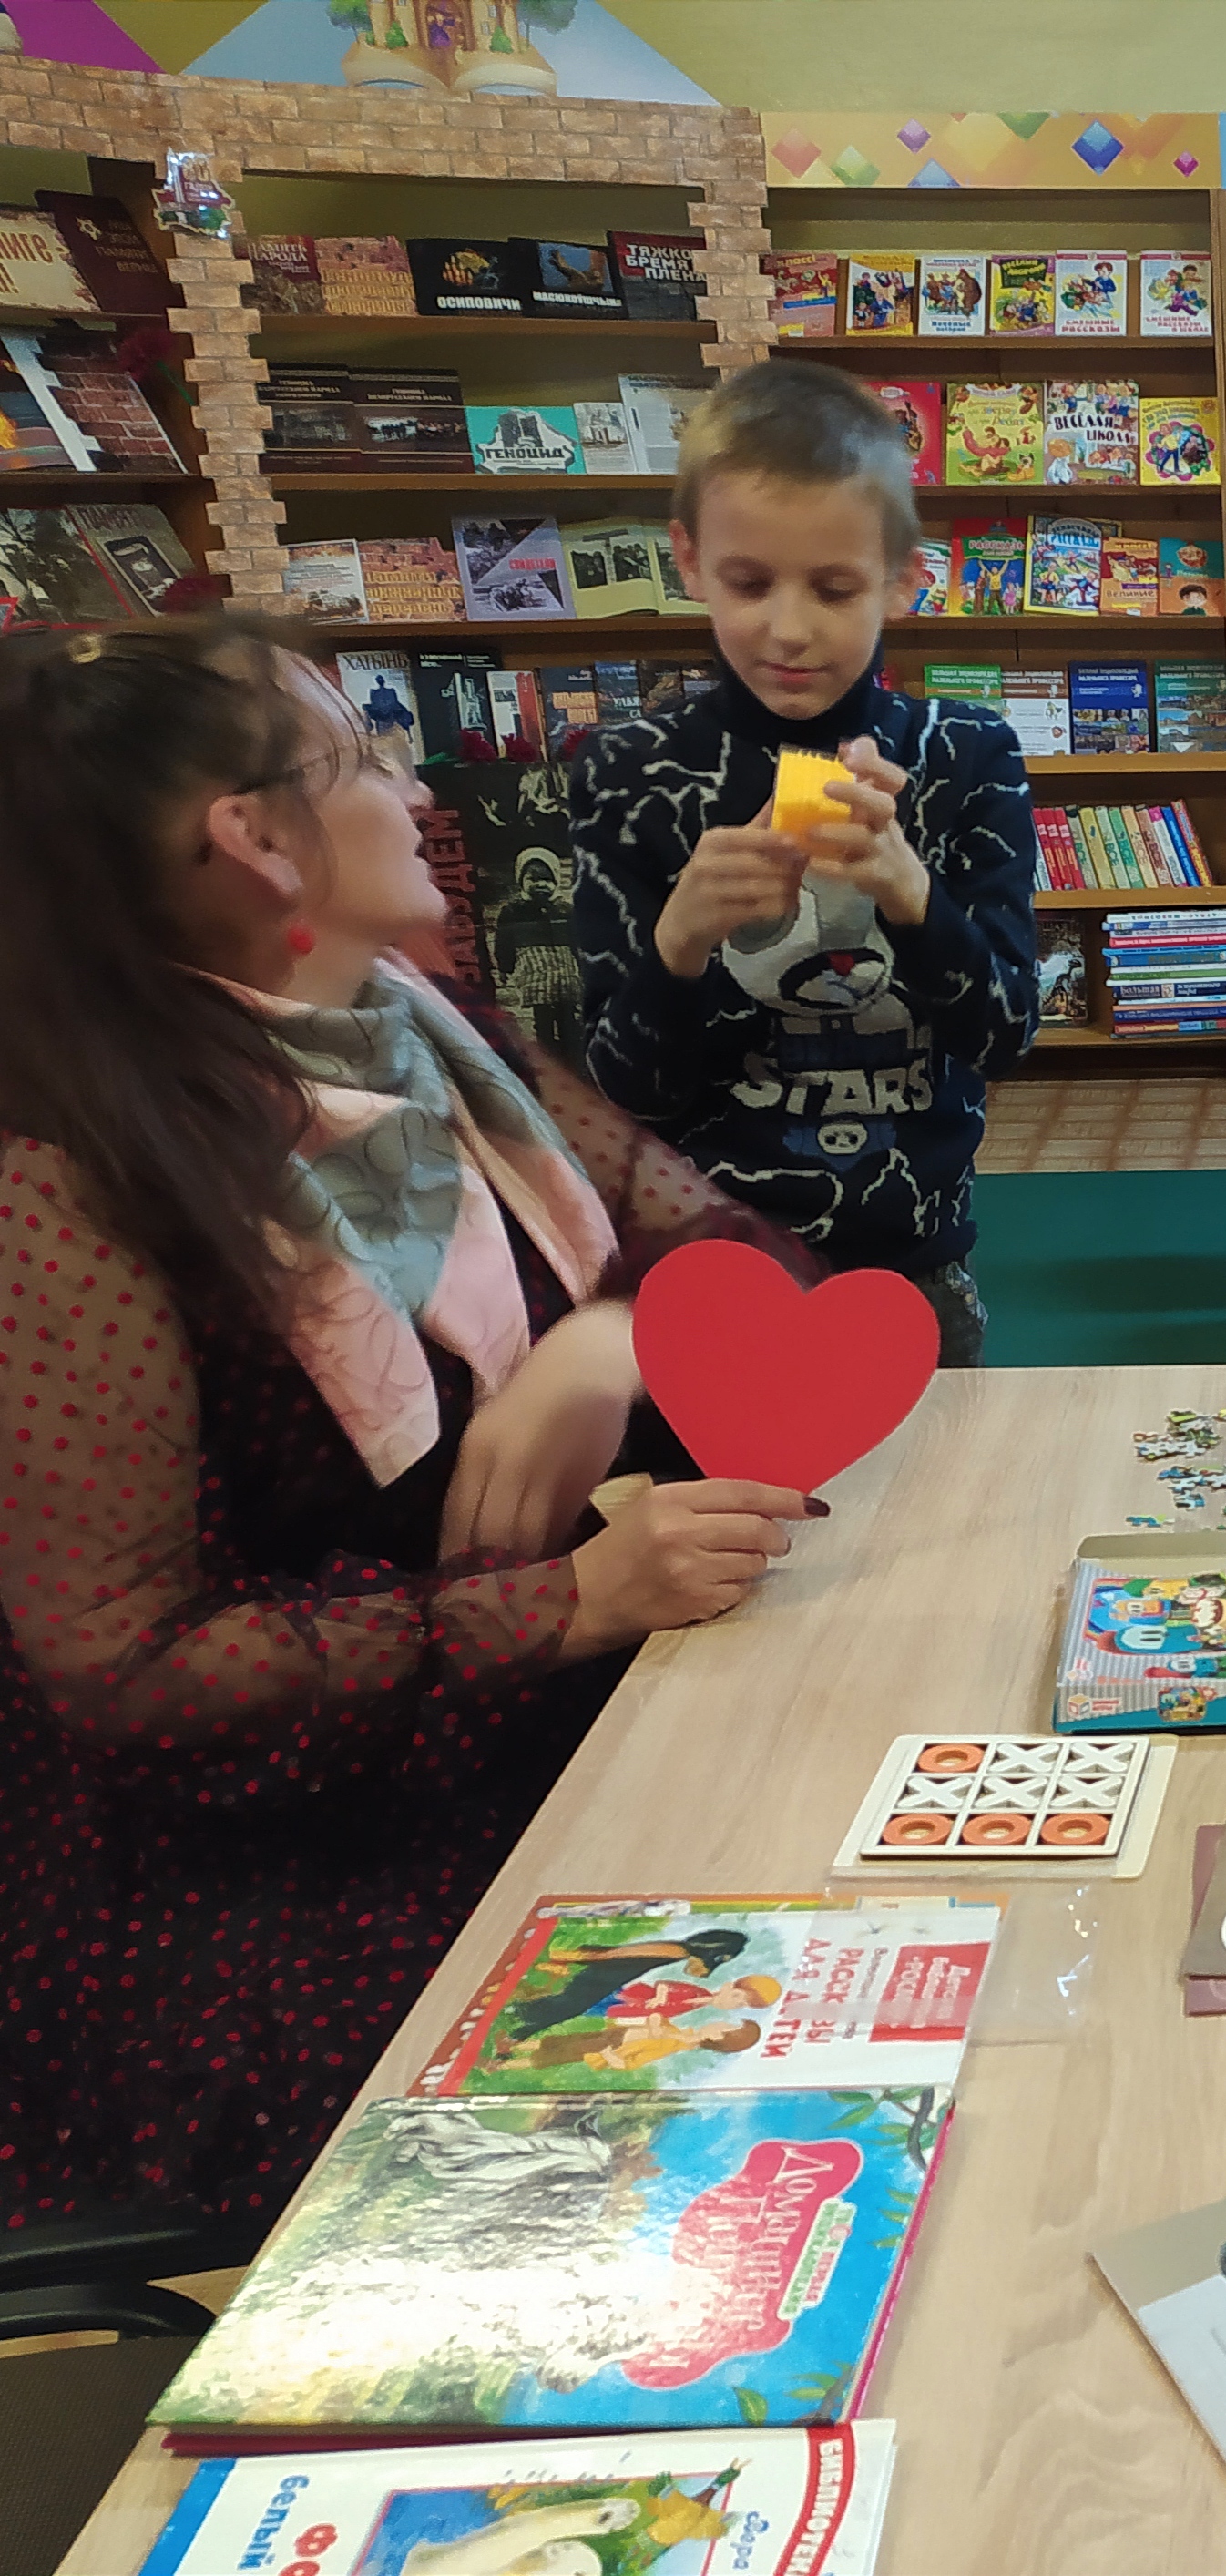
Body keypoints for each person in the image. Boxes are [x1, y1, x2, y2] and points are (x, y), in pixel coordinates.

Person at [0, 620, 815, 2227]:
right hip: (288, 1874)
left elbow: (750, 1259)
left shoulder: (431, 1035)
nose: (419, 784)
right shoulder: (66, 1177)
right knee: (701, 2129)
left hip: (536, 1718)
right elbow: (133, 1673)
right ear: (255, 837)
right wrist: (569, 1601)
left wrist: (616, 1333)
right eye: (367, 756)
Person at [568, 359, 1038, 1366]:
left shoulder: (967, 756)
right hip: (704, 1270)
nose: (788, 630)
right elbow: (623, 1094)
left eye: (834, 588)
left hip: (912, 1272)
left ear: (902, 578)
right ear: (689, 561)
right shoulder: (628, 772)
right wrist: (681, 941)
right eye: (749, 583)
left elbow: (1004, 1036)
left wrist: (912, 897)